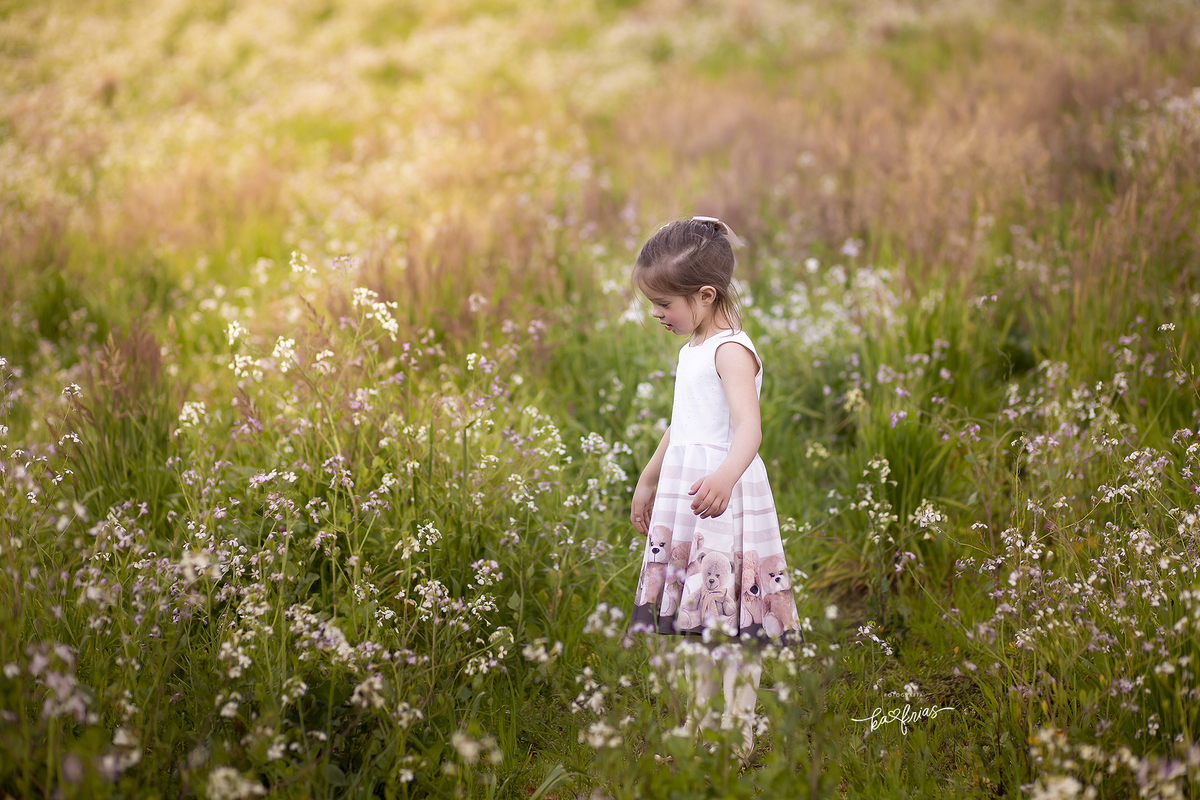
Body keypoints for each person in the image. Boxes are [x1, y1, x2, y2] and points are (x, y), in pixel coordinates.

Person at [627, 215, 803, 766]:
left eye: (664, 304)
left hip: (725, 495)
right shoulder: (693, 350)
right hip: (691, 493)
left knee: (737, 617)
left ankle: (740, 729)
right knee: (700, 617)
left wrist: (724, 476)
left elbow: (748, 426)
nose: (657, 314)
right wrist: (650, 478)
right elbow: (683, 424)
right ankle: (701, 721)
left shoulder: (731, 349)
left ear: (705, 295)